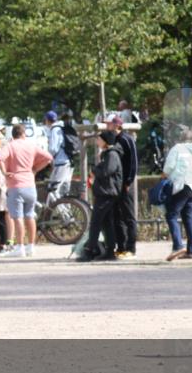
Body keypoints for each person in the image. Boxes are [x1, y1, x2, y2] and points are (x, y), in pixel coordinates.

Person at [0, 123, 53, 258]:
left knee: (18, 217)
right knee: (30, 215)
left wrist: (4, 172)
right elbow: (49, 158)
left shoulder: (10, 145)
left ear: (12, 134)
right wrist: (36, 169)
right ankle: (31, 246)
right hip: (30, 184)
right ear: (24, 133)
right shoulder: (31, 145)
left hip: (15, 184)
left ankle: (19, 247)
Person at [77, 131, 123, 262]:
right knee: (106, 223)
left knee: (96, 222)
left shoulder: (112, 155)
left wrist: (94, 170)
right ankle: (109, 251)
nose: (97, 141)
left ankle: (90, 250)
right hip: (105, 192)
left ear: (106, 141)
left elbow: (106, 171)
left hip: (107, 193)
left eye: (99, 139)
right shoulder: (108, 154)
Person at [162, 129, 192, 261]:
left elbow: (168, 167)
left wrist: (164, 176)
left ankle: (178, 246)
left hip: (181, 185)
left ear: (182, 138)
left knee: (171, 215)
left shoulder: (177, 148)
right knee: (188, 218)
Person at [107, 115, 139, 258]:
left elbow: (133, 162)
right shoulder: (114, 140)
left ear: (117, 126)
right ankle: (121, 246)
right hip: (117, 184)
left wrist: (128, 181)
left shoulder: (126, 139)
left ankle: (131, 248)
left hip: (125, 183)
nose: (108, 127)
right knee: (117, 215)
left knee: (129, 216)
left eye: (110, 124)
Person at [43, 111, 72, 205]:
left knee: (53, 190)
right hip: (67, 161)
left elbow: (53, 149)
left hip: (61, 162)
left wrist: (45, 156)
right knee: (62, 190)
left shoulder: (55, 129)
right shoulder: (61, 127)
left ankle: (65, 215)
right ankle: (64, 212)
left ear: (47, 120)